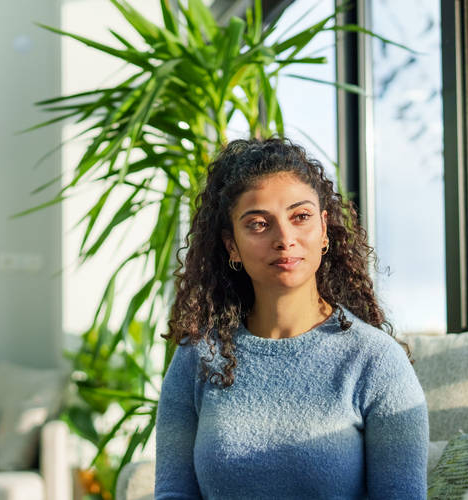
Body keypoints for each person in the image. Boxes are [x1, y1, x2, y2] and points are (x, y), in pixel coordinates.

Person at [155, 137, 428, 499]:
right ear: (231, 245)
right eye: (258, 224)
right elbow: (174, 492)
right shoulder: (197, 357)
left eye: (300, 217)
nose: (285, 238)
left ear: (324, 229)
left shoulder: (375, 361)